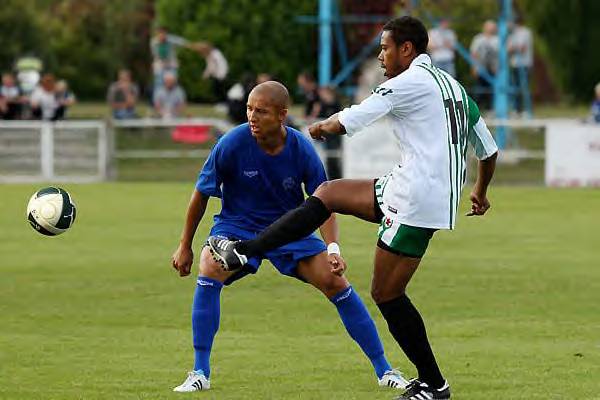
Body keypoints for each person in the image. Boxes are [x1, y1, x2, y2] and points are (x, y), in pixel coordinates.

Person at [208, 16, 499, 400]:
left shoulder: (405, 82)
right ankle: (246, 252)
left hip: (416, 201)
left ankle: (434, 384)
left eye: (385, 47)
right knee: (328, 194)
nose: (381, 55)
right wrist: (479, 189)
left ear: (407, 50)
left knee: (387, 293)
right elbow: (489, 149)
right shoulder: (456, 89)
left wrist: (318, 128)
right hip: (410, 188)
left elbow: (354, 118)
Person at [170, 81, 408, 392]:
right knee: (209, 265)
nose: (252, 117)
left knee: (336, 282)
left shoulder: (301, 149)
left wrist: (332, 248)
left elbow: (326, 202)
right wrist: (184, 245)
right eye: (249, 109)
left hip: (290, 230)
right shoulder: (231, 143)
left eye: (261, 111)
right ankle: (199, 372)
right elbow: (201, 194)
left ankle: (385, 370)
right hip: (237, 227)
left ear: (282, 115)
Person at [316, 86, 343, 179]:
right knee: (328, 160)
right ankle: (331, 179)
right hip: (327, 138)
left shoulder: (336, 104)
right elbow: (318, 117)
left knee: (334, 159)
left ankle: (337, 179)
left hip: (335, 137)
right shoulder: (322, 105)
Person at [470, 20, 498, 111]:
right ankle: (476, 109)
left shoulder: (497, 39)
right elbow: (473, 53)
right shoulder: (478, 39)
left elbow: (499, 55)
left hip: (492, 68)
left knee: (491, 89)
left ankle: (490, 108)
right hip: (481, 68)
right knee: (479, 89)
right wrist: (474, 67)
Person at [507, 17, 533, 116]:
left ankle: (525, 110)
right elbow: (508, 49)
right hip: (514, 64)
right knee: (515, 87)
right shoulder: (512, 34)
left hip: (524, 64)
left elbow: (522, 49)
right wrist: (513, 49)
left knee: (523, 87)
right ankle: (516, 109)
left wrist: (513, 49)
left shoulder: (525, 32)